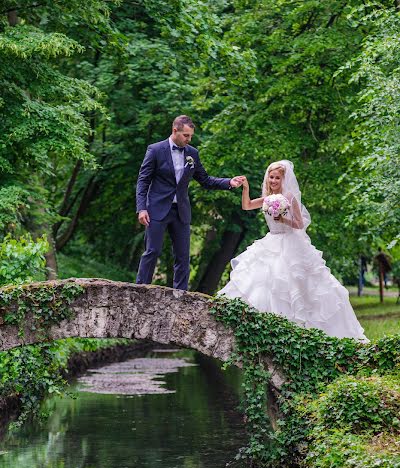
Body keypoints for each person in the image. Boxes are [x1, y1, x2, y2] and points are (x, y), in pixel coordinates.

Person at [218, 160, 368, 342]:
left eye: (277, 178)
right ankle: (267, 328)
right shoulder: (266, 198)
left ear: (284, 179)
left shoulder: (289, 197)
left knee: (295, 283)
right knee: (266, 281)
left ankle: (303, 328)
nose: (273, 180)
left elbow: (299, 223)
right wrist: (245, 188)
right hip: (271, 240)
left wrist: (282, 220)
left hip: (290, 242)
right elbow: (247, 205)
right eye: (271, 177)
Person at [136, 115, 245, 290]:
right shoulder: (155, 150)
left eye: (191, 136)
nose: (189, 139)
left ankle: (181, 295)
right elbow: (143, 181)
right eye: (186, 135)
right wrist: (141, 208)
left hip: (181, 211)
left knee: (183, 256)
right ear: (175, 131)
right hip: (156, 209)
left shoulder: (192, 153)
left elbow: (205, 180)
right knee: (152, 251)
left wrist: (229, 183)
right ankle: (140, 289)